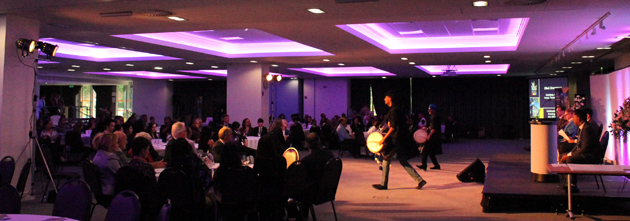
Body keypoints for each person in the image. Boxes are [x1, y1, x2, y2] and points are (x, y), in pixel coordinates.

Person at [373, 91, 426, 190]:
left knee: (386, 160)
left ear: (390, 99)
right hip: (400, 139)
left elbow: (393, 128)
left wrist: (383, 139)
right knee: (402, 160)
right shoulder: (397, 110)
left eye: (385, 97)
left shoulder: (393, 111)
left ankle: (383, 184)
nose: (384, 99)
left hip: (395, 139)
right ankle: (420, 180)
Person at [559, 109, 602, 191]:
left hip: (591, 156)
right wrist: (568, 153)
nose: (573, 119)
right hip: (586, 153)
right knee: (564, 155)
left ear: (578, 118)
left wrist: (570, 155)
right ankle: (567, 183)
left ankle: (572, 184)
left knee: (570, 159)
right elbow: (578, 144)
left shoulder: (587, 129)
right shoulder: (581, 127)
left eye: (574, 117)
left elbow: (584, 149)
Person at [297, 133, 334, 218]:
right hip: (328, 190)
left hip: (314, 193)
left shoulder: (306, 161)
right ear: (319, 142)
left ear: (306, 144)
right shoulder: (330, 155)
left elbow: (302, 178)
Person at [253, 134, 287, 220]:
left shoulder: (260, 161)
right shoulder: (282, 160)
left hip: (264, 193)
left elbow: (254, 174)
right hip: (279, 192)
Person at [92, 133, 123, 199]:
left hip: (102, 189)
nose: (118, 145)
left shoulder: (99, 153)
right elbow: (122, 174)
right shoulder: (110, 158)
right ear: (111, 144)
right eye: (116, 143)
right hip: (111, 191)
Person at [417, 104, 442, 170]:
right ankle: (436, 165)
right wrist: (426, 128)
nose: (428, 110)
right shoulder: (434, 117)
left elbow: (434, 129)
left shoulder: (434, 117)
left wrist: (429, 135)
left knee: (425, 150)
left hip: (433, 137)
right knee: (431, 153)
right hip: (435, 137)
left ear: (433, 110)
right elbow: (432, 127)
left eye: (429, 109)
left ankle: (424, 165)